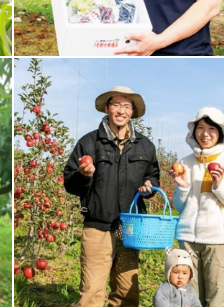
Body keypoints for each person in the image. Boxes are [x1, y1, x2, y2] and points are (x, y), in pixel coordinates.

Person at [63, 86, 161, 307]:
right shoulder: (89, 143)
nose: (121, 110)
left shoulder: (145, 146)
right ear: (107, 108)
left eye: (126, 106)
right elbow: (70, 182)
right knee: (91, 292)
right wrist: (83, 175)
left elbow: (153, 176)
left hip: (131, 227)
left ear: (132, 111)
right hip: (98, 225)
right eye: (116, 104)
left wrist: (150, 185)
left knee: (127, 292)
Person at [170, 107, 224, 307]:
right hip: (187, 240)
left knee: (216, 300)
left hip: (218, 242)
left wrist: (219, 186)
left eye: (212, 129)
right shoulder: (185, 163)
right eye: (201, 128)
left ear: (221, 132)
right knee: (191, 299)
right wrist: (183, 187)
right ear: (193, 131)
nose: (205, 134)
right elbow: (180, 207)